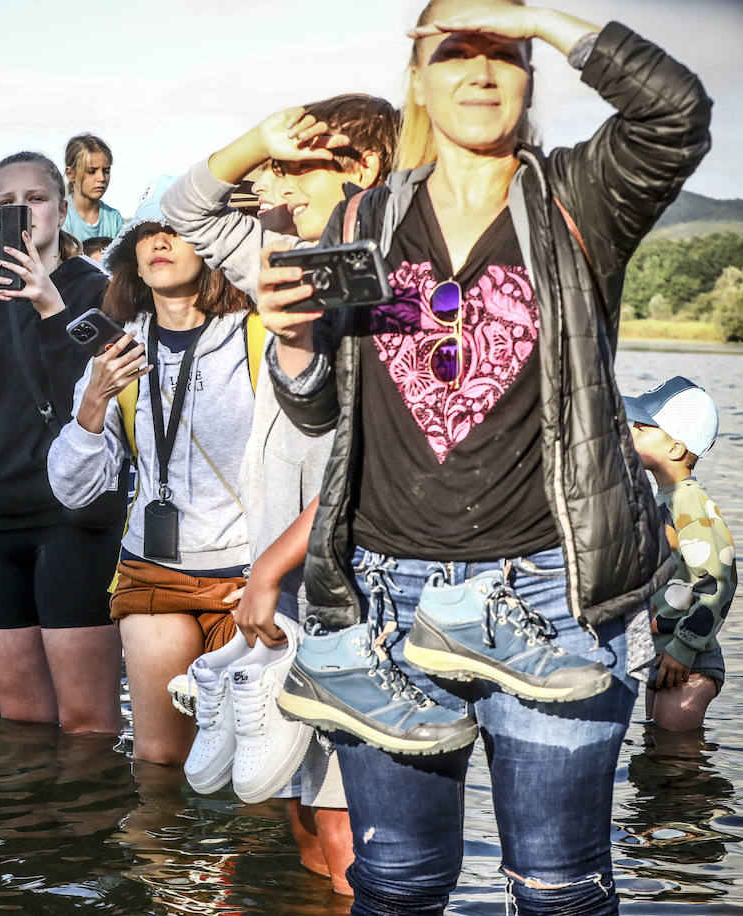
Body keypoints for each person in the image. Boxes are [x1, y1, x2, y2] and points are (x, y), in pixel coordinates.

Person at [258, 4, 710, 912]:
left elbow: (677, 113)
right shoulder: (363, 214)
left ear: (532, 71)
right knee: (394, 882)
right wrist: (296, 343)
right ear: (418, 78)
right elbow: (319, 412)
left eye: (503, 51)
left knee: (558, 885)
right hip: (386, 599)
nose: (480, 69)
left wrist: (541, 17)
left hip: (550, 592)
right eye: (453, 50)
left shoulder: (582, 197)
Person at [162, 94, 400, 896]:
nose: (277, 182)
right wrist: (263, 140)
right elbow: (185, 205)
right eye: (275, 167)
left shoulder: (394, 283)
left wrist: (269, 566)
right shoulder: (282, 257)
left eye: (298, 168)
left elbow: (369, 464)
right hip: (284, 584)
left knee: (344, 834)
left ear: (362, 169)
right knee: (298, 819)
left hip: (345, 585)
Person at [48, 176, 263, 768]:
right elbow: (73, 488)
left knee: (259, 770)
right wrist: (92, 405)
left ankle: (233, 864)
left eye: (177, 230)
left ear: (213, 245)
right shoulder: (117, 352)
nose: (159, 243)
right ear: (129, 260)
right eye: (145, 234)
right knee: (160, 764)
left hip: (248, 574)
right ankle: (162, 864)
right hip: (152, 571)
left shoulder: (257, 337)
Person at [0, 150, 121, 733]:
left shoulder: (100, 290)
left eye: (34, 199)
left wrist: (48, 304)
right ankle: (28, 826)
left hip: (74, 522)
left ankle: (88, 825)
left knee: (87, 725)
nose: (22, 212)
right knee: (20, 720)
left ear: (62, 207)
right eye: (5, 205)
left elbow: (94, 399)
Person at [624, 376, 735, 732]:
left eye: (643, 428)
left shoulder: (690, 501)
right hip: (665, 654)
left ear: (675, 449)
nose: (631, 432)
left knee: (679, 766)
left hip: (689, 661)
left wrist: (684, 648)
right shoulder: (665, 496)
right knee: (656, 756)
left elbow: (719, 581)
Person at [62, 133, 125, 243]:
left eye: (106, 171)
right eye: (91, 171)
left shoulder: (114, 219)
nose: (101, 178)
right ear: (70, 174)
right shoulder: (61, 216)